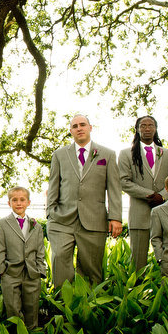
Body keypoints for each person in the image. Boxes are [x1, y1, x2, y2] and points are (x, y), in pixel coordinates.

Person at [47, 114, 122, 287]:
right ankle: (62, 303)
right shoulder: (59, 155)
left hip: (94, 219)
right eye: (74, 126)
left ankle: (89, 305)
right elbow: (53, 185)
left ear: (90, 127)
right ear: (71, 131)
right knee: (59, 259)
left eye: (82, 124)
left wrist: (115, 217)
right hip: (62, 219)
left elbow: (114, 188)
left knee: (91, 268)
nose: (79, 128)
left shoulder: (107, 155)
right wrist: (50, 212)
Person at [118, 115, 168, 271]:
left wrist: (162, 196)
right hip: (139, 213)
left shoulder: (167, 154)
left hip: (165, 213)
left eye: (150, 125)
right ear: (137, 130)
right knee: (138, 261)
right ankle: (137, 292)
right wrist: (150, 195)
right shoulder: (126, 154)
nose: (147, 128)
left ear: (156, 128)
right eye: (143, 126)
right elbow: (124, 181)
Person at [0, 186, 47, 327]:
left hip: (32, 274)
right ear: (9, 203)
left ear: (28, 202)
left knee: (32, 308)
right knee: (13, 308)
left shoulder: (37, 226)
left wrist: (41, 270)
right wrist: (2, 272)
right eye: (14, 200)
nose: (18, 203)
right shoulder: (1, 225)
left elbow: (40, 251)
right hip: (10, 274)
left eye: (22, 200)